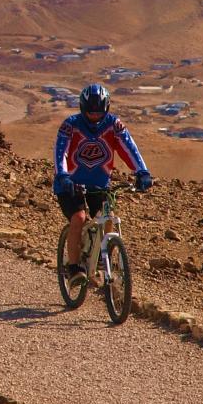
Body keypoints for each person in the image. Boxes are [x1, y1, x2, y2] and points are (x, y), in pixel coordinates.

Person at [53, 82, 152, 284]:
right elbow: (60, 152)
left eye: (99, 112)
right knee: (79, 218)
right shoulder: (70, 125)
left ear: (106, 108)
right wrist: (62, 175)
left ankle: (101, 255)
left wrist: (142, 171)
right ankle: (73, 267)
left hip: (99, 185)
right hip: (70, 184)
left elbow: (129, 148)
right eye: (90, 112)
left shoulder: (114, 126)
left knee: (108, 217)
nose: (95, 116)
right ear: (82, 108)